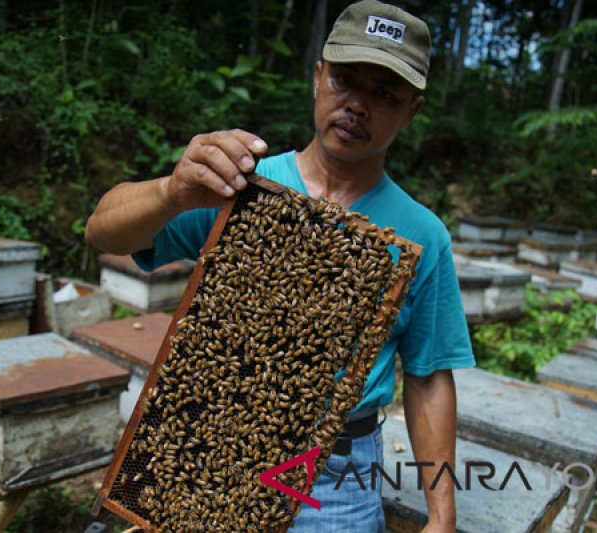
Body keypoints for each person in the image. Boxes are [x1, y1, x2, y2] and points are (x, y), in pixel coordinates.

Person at [86, 1, 475, 531]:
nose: (358, 105)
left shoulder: (423, 236)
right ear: (318, 78)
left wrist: (441, 515)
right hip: (211, 441)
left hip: (335, 474)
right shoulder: (238, 186)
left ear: (411, 112)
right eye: (345, 81)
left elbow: (429, 378)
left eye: (385, 95)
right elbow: (102, 231)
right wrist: (170, 192)